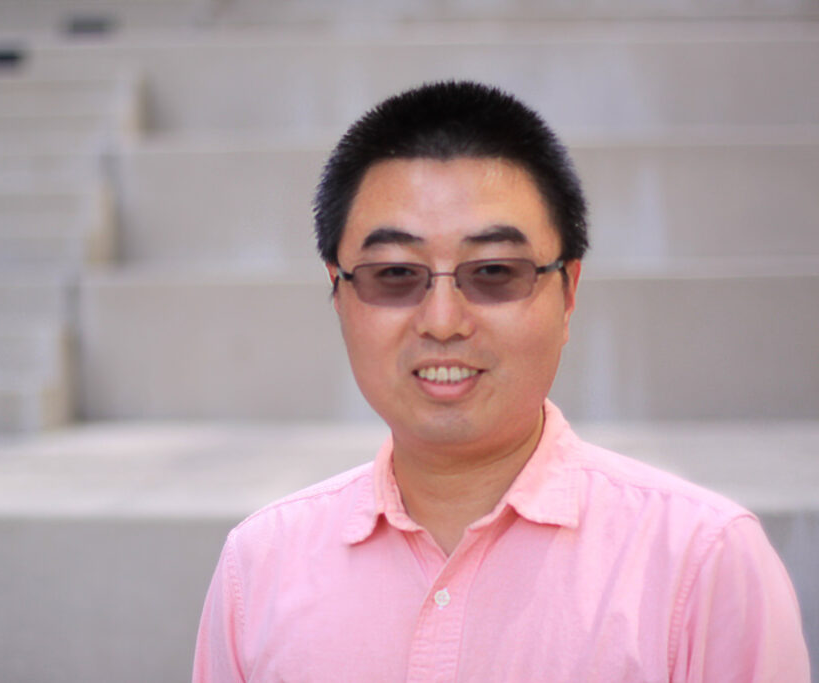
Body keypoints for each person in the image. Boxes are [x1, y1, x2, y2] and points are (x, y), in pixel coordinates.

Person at [192, 81, 810, 681]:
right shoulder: (261, 567)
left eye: (492, 270)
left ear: (568, 292)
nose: (442, 321)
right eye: (395, 274)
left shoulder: (702, 566)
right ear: (338, 292)